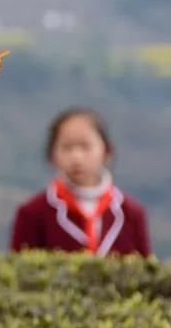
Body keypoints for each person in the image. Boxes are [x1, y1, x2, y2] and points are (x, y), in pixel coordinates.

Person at [11, 107, 150, 256]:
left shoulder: (131, 213)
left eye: (85, 146)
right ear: (52, 154)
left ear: (107, 151)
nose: (76, 157)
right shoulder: (33, 212)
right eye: (67, 147)